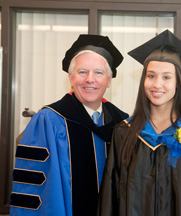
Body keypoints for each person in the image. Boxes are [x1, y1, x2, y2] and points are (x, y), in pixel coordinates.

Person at [97, 30, 181, 216]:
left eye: (166, 77)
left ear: (179, 81)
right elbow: (110, 198)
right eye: (151, 76)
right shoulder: (123, 132)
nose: (157, 84)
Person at [10, 34, 129, 216]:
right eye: (82, 72)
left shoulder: (123, 124)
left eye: (99, 72)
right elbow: (32, 187)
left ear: (109, 79)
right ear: (71, 78)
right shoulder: (48, 120)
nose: (90, 79)